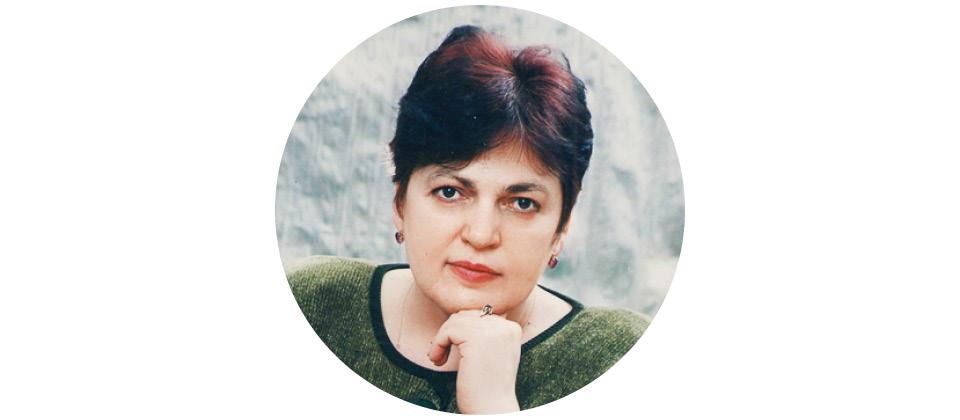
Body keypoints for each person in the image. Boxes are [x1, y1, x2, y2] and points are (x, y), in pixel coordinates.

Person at [287, 25, 648, 414]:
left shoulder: (623, 355)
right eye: (450, 192)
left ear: (562, 226)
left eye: (522, 203)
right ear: (400, 203)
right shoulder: (310, 301)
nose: (481, 234)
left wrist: (494, 406)